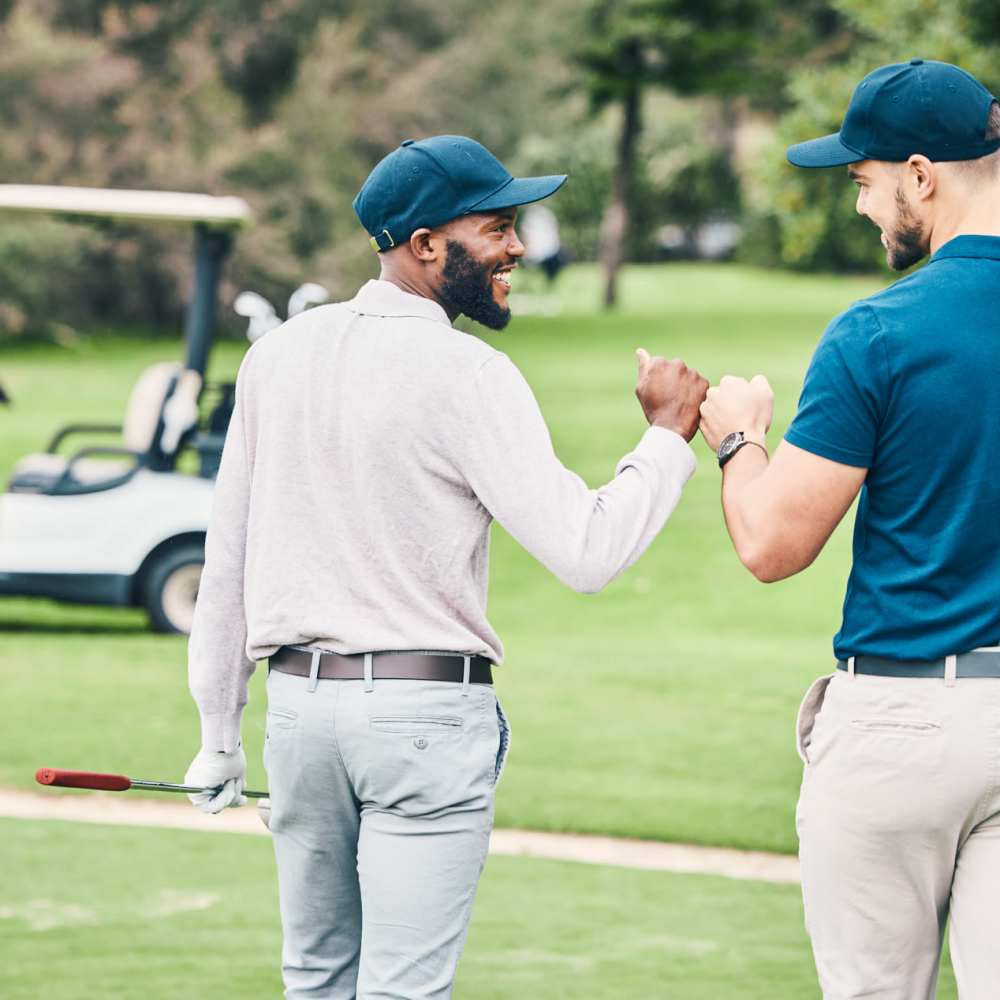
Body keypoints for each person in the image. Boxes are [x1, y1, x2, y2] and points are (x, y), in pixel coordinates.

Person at [184, 134, 708, 1000]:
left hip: (299, 719)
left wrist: (215, 732)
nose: (518, 249)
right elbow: (587, 552)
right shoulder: (470, 373)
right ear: (424, 245)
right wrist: (665, 437)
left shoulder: (275, 356)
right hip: (422, 717)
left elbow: (226, 557)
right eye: (499, 227)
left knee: (313, 981)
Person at [698, 60, 1000, 999]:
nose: (865, 208)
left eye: (864, 182)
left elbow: (772, 545)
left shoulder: (880, 333)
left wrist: (739, 436)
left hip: (902, 718)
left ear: (921, 174)